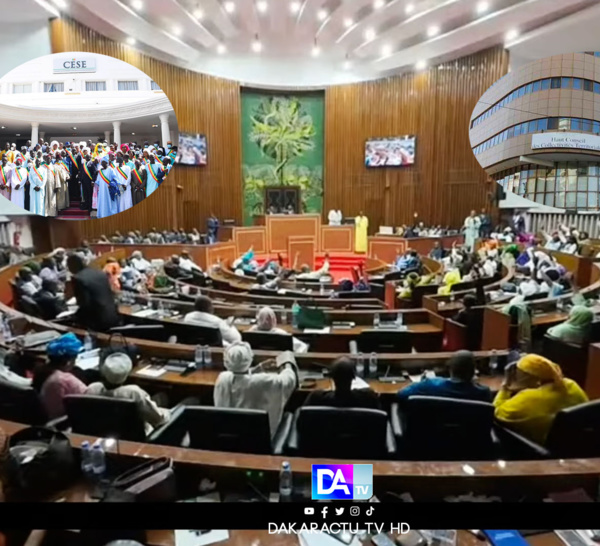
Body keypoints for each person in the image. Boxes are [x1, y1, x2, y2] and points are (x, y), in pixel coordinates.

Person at [494, 354, 588, 445]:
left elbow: (495, 413)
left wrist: (505, 387)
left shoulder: (528, 398)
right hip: (579, 446)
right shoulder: (570, 385)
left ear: (533, 379)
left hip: (537, 450)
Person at [214, 342, 298, 435]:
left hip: (231, 437)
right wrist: (287, 362)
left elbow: (239, 374)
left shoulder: (222, 378)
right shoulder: (264, 380)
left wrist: (258, 368)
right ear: (250, 359)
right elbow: (289, 380)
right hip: (261, 438)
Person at [86, 353, 170, 434]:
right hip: (137, 438)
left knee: (158, 398)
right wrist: (168, 412)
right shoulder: (133, 393)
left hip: (102, 434)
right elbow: (158, 420)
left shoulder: (92, 389)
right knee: (163, 397)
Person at [397, 350, 492, 404]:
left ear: (450, 370)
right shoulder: (484, 393)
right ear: (474, 372)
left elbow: (402, 394)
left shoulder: (430, 384)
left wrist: (421, 383)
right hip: (469, 438)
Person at [33, 333, 87, 419]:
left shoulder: (41, 372)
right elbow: (89, 397)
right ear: (69, 361)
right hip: (64, 423)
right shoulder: (64, 379)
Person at [67, 253, 120, 332]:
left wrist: (73, 316)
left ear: (73, 265)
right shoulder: (100, 273)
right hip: (113, 316)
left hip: (97, 322)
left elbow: (84, 304)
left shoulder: (78, 278)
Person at [304, 356, 380, 409]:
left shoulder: (316, 398)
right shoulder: (368, 397)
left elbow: (302, 420)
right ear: (354, 377)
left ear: (331, 377)